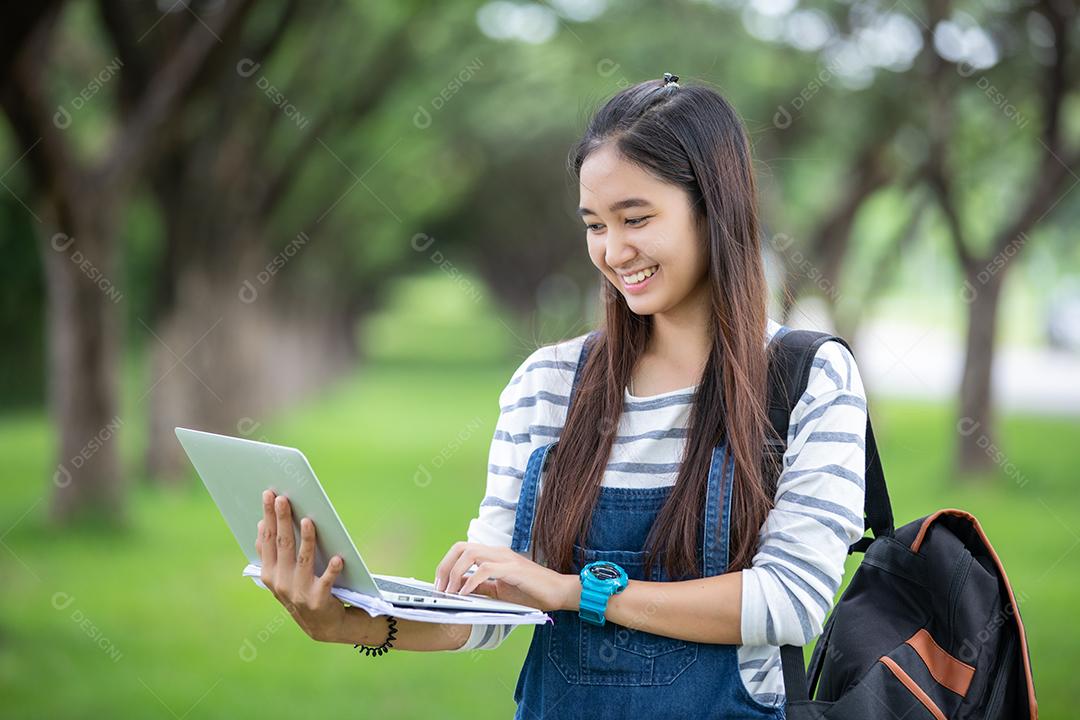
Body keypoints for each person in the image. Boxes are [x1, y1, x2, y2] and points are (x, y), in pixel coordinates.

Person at [255, 73, 868, 719]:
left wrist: (577, 593)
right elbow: (491, 604)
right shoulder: (546, 385)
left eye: (635, 219)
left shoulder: (806, 379)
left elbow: (791, 601)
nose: (612, 250)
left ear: (714, 208)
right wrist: (352, 622)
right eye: (595, 225)